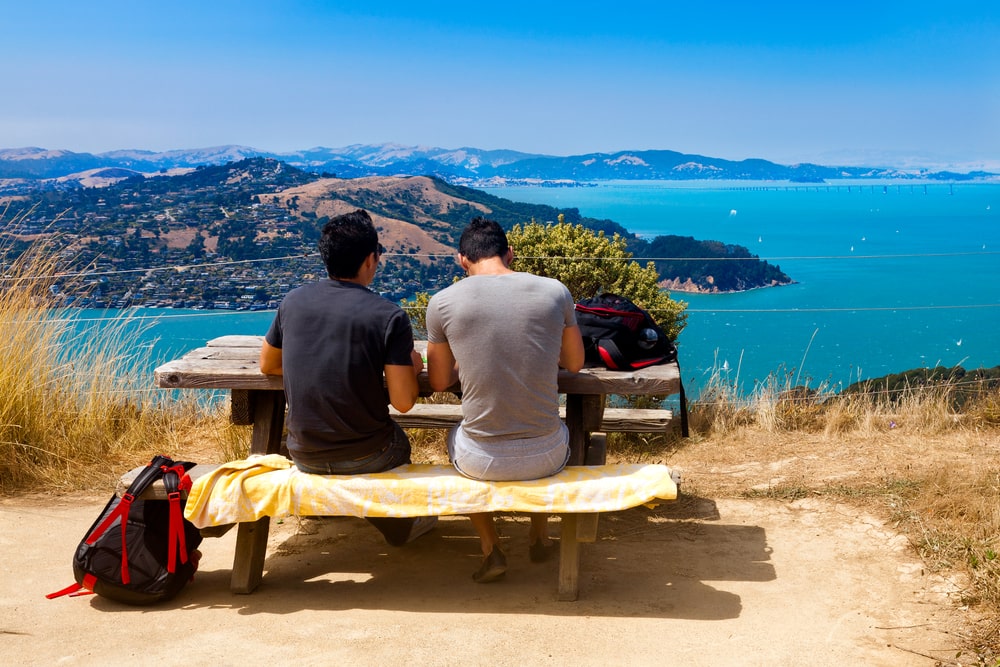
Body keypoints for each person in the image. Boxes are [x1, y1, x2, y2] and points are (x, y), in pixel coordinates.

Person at [259, 209, 436, 546]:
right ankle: (399, 523)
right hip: (368, 455)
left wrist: (317, 365)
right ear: (371, 259)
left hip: (304, 453)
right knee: (399, 442)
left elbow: (267, 365)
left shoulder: (293, 301)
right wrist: (408, 368)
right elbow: (403, 402)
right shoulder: (389, 316)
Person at [425, 217, 585, 583]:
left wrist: (465, 365)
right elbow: (574, 363)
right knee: (548, 424)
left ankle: (490, 547)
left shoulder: (443, 302)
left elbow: (437, 380)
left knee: (455, 434)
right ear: (509, 253)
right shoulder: (554, 291)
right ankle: (540, 536)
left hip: (480, 460)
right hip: (548, 455)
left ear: (461, 260)